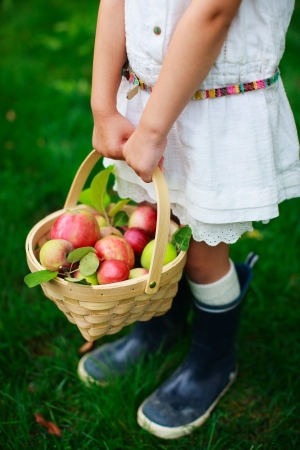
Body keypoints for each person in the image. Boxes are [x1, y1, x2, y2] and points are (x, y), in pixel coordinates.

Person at [77, 0, 300, 439]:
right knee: (160, 227)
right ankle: (159, 325)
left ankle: (213, 358)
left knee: (200, 254)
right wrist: (103, 106)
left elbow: (214, 10)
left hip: (215, 107)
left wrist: (155, 131)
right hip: (147, 96)